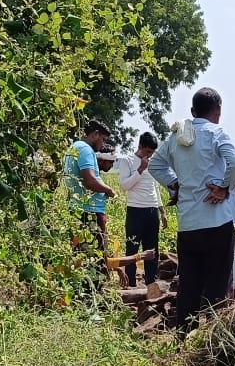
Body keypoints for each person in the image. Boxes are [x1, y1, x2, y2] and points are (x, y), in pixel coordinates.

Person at [149, 87, 235, 330]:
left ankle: (184, 339)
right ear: (218, 111)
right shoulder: (216, 132)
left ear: (192, 111)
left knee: (189, 284)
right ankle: (212, 343)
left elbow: (155, 165)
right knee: (217, 285)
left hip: (188, 224)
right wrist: (224, 187)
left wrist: (174, 184)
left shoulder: (175, 138)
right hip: (217, 223)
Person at [115, 132, 164, 287]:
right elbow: (125, 186)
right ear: (140, 147)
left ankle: (150, 281)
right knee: (132, 246)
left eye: (152, 153)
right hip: (135, 209)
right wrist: (140, 170)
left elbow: (154, 187)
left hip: (152, 209)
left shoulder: (152, 163)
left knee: (152, 247)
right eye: (147, 152)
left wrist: (161, 211)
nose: (149, 156)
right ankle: (130, 282)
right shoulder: (127, 161)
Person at [63, 120, 117, 259]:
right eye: (103, 139)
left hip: (79, 209)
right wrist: (109, 190)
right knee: (95, 260)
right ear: (95, 134)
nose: (103, 144)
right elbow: (90, 181)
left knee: (82, 257)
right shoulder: (85, 149)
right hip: (89, 212)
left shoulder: (75, 147)